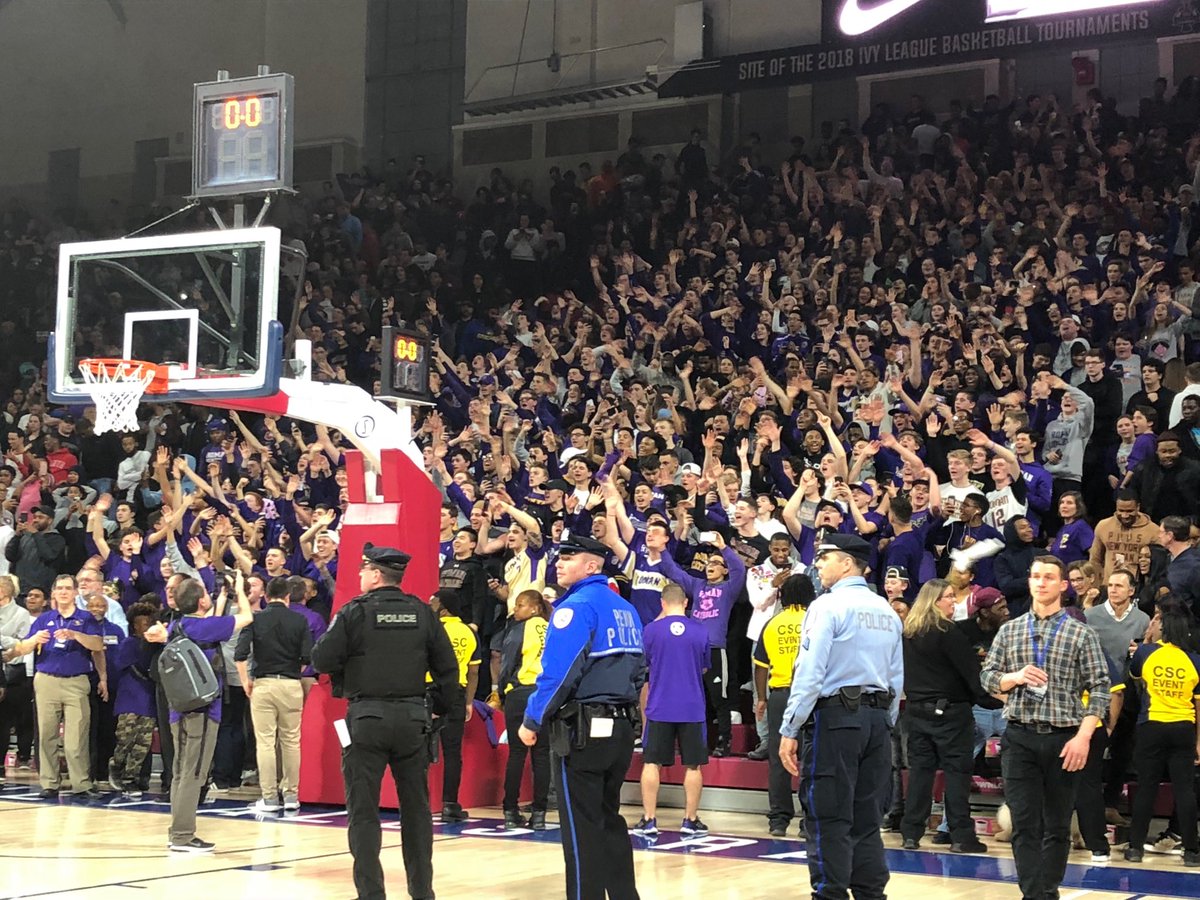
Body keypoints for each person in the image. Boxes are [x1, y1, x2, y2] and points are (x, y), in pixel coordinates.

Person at [310, 544, 459, 900]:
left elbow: (321, 658)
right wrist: (437, 707)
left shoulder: (354, 613)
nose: (360, 576)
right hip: (412, 720)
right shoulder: (423, 613)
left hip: (367, 718)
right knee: (417, 813)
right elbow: (448, 670)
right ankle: (422, 892)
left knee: (364, 812)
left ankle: (371, 894)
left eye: (363, 570)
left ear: (376, 574)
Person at [517, 534, 644, 900]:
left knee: (579, 828)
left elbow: (559, 673)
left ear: (592, 566)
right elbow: (639, 671)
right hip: (620, 726)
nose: (560, 562)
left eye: (569, 558)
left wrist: (533, 718)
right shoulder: (626, 609)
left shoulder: (576, 607)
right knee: (609, 819)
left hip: (583, 730)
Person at [778, 534, 905, 900]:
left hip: (836, 720)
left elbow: (809, 673)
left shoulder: (827, 606)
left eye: (825, 557)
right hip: (878, 720)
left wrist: (790, 727)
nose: (818, 564)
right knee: (867, 819)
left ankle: (829, 894)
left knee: (827, 816)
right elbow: (896, 678)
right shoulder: (886, 609)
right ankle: (870, 893)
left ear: (846, 563)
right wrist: (884, 721)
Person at [980, 556, 1111, 900]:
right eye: (1035, 576)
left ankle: (1046, 890)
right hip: (1020, 735)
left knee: (1056, 825)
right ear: (1029, 582)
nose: (1041, 583)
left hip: (1064, 738)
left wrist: (1084, 736)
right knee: (1024, 823)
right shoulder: (1010, 630)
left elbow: (1099, 687)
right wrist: (1015, 677)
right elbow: (988, 676)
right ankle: (1033, 893)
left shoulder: (1081, 632)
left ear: (1063, 585)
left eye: (1049, 577)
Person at [143, 576, 253, 852]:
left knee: (181, 771)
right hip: (203, 710)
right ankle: (182, 835)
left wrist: (222, 597)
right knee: (194, 773)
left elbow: (209, 623)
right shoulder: (206, 627)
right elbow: (247, 617)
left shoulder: (179, 625)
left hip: (178, 708)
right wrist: (239, 590)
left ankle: (177, 832)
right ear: (202, 600)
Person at [899, 578, 992, 853]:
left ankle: (910, 833)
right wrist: (993, 701)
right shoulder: (949, 633)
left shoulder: (909, 633)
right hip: (951, 713)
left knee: (920, 774)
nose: (954, 601)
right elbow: (972, 676)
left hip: (916, 711)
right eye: (949, 596)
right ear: (935, 601)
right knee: (957, 774)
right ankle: (962, 836)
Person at [7, 573, 106, 799]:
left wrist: (74, 635)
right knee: (46, 734)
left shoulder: (86, 618)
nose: (63, 592)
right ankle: (49, 783)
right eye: (59, 588)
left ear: (74, 592)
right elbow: (22, 649)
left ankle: (81, 783)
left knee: (76, 736)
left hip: (76, 681)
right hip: (46, 679)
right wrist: (34, 641)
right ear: (53, 593)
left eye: (67, 588)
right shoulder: (44, 619)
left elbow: (98, 645)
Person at [1119, 603, 1200, 865]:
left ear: (1163, 628)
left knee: (1146, 789)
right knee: (1185, 790)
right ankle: (1191, 851)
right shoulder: (1196, 660)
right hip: (1183, 729)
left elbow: (1134, 677)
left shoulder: (1145, 653)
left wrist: (1146, 640)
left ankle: (1135, 848)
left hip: (1152, 726)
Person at [633, 582, 710, 839]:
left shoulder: (651, 631)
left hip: (659, 706)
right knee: (693, 765)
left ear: (662, 603)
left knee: (651, 762)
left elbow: (643, 665)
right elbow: (704, 668)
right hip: (692, 707)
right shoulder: (700, 631)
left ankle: (649, 819)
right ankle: (690, 820)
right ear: (686, 603)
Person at [234, 575, 313, 814]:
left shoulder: (256, 620)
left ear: (266, 597)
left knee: (265, 742)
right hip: (290, 684)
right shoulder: (300, 620)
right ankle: (291, 795)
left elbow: (239, 654)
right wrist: (291, 675)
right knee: (291, 741)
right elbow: (307, 658)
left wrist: (245, 681)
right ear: (288, 597)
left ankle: (269, 797)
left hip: (263, 684)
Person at [753, 573, 814, 837]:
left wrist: (762, 698)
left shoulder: (773, 623)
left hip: (780, 695)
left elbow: (760, 667)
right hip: (811, 695)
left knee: (779, 758)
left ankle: (778, 820)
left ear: (783, 596)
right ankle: (808, 820)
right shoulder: (815, 621)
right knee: (810, 757)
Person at [497, 589, 548, 829]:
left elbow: (506, 663)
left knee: (517, 754)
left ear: (535, 608)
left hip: (520, 693)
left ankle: (510, 810)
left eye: (520, 605)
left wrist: (501, 692)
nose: (515, 610)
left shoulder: (518, 630)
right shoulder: (552, 628)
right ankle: (539, 813)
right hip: (545, 695)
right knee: (541, 755)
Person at [430, 591, 481, 825]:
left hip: (428, 692)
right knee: (452, 752)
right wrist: (469, 701)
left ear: (445, 607)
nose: (430, 603)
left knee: (417, 750)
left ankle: (418, 801)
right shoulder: (469, 632)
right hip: (457, 694)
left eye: (434, 601)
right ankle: (450, 804)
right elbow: (473, 671)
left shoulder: (432, 628)